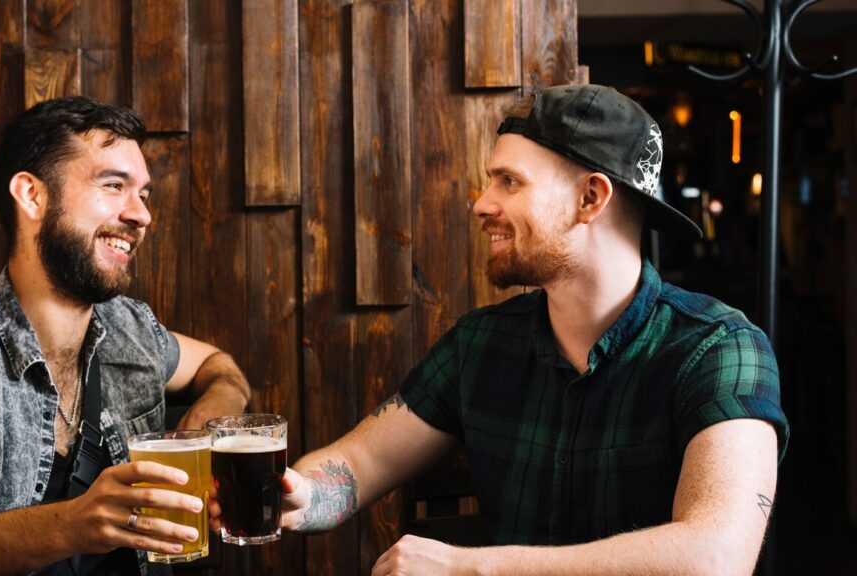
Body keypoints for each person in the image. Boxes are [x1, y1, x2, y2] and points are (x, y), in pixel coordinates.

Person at [275, 85, 789, 575]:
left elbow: (716, 557)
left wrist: (472, 567)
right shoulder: (479, 345)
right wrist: (299, 495)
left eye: (510, 181)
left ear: (591, 198)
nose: (481, 202)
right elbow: (361, 461)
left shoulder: (717, 348)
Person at [0, 96, 250, 575]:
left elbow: (219, 366)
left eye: (143, 193)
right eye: (114, 185)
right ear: (32, 196)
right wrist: (72, 526)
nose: (141, 215)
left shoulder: (132, 329)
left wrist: (218, 404)